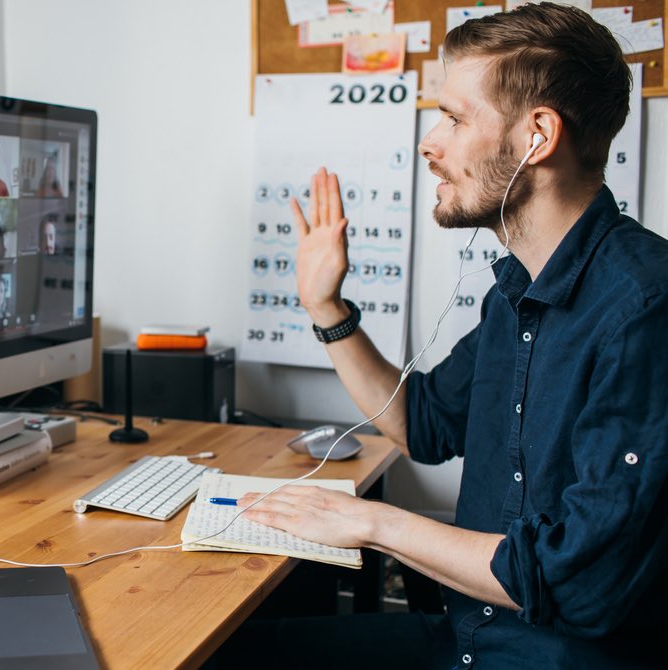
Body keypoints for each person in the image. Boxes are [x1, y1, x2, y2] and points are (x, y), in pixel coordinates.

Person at [217, 4, 668, 668]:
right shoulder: (514, 293)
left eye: (454, 119)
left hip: (552, 659)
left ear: (538, 135)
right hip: (469, 642)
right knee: (222, 654)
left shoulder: (643, 308)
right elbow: (421, 424)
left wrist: (372, 523)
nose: (430, 144)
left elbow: (581, 584)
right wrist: (325, 306)